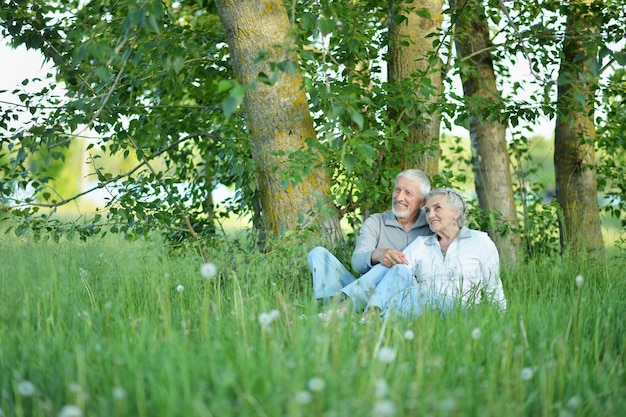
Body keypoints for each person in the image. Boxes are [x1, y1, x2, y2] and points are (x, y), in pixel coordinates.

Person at [361, 188, 507, 319]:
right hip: (420, 305)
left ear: (455, 213)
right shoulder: (421, 244)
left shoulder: (479, 240)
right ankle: (370, 317)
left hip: (459, 309)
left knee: (413, 296)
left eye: (437, 208)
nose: (431, 215)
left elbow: (493, 286)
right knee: (397, 267)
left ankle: (366, 318)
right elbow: (396, 273)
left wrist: (502, 320)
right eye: (428, 210)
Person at [307, 169, 433, 307]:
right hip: (366, 291)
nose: (399, 197)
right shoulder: (376, 221)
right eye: (397, 190)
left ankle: (336, 306)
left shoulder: (431, 226)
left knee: (396, 268)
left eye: (408, 193)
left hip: (404, 297)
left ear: (423, 202)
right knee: (318, 254)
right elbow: (357, 263)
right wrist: (377, 255)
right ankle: (333, 304)